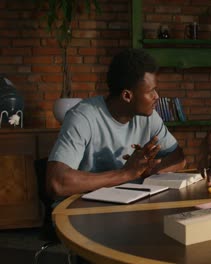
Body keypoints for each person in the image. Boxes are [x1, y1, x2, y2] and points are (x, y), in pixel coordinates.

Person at [46, 49, 186, 199]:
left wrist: (148, 169)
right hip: (83, 211)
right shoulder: (82, 117)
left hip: (129, 206)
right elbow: (57, 183)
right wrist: (126, 173)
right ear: (127, 96)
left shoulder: (149, 117)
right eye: (150, 91)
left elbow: (179, 158)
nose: (156, 96)